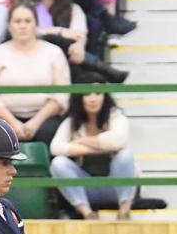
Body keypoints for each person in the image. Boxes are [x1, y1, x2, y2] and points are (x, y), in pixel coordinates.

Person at [0, 0, 70, 145]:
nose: (23, 26)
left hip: (45, 118)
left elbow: (61, 95)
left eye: (28, 21)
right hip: (5, 118)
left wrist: (35, 123)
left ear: (36, 25)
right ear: (9, 26)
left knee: (51, 132)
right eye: (17, 21)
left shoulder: (54, 53)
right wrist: (14, 123)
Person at [49, 84, 137, 220]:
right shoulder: (72, 121)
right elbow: (55, 148)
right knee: (58, 163)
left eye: (97, 93)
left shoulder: (116, 116)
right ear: (80, 98)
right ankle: (87, 213)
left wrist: (82, 141)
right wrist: (96, 148)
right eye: (87, 94)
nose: (93, 99)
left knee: (126, 155)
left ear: (105, 97)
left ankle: (124, 211)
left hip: (115, 187)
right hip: (88, 188)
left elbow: (117, 141)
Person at [30, 0, 126, 82]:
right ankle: (105, 71)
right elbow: (28, 31)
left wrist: (78, 46)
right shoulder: (29, 8)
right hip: (34, 58)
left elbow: (79, 35)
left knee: (76, 66)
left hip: (66, 60)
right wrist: (61, 31)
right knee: (53, 40)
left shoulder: (74, 9)